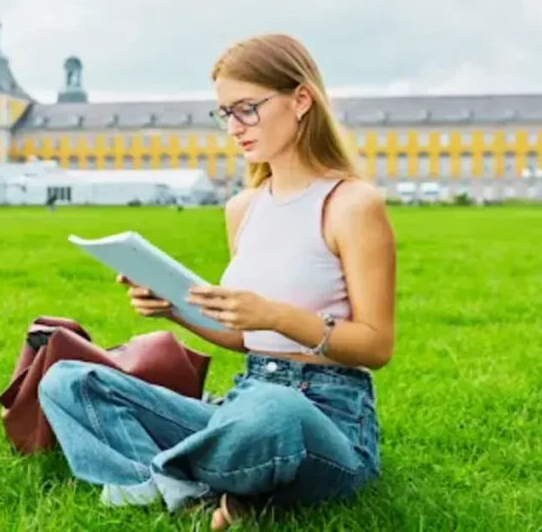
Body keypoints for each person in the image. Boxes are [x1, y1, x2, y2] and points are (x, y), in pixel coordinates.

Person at [37, 32, 396, 530]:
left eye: (247, 108)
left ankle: (164, 476)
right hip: (245, 401)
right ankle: (199, 490)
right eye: (225, 113)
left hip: (325, 419)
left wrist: (276, 316)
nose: (234, 127)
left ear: (300, 100)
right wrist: (174, 307)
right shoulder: (242, 208)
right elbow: (245, 338)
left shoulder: (352, 204)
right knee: (67, 380)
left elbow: (376, 346)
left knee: (275, 411)